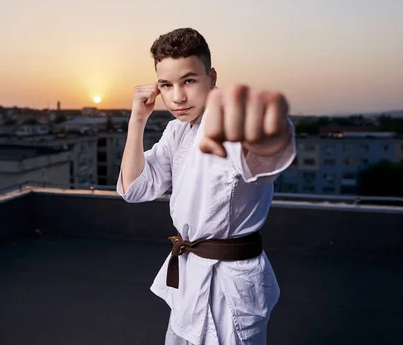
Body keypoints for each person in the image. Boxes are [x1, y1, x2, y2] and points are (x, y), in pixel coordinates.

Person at [116, 27, 297, 345]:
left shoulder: (230, 124)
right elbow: (134, 188)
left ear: (211, 77)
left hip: (231, 285)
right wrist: (137, 120)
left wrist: (269, 130)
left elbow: (266, 152)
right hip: (190, 275)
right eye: (166, 85)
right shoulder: (176, 131)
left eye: (188, 81)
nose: (177, 97)